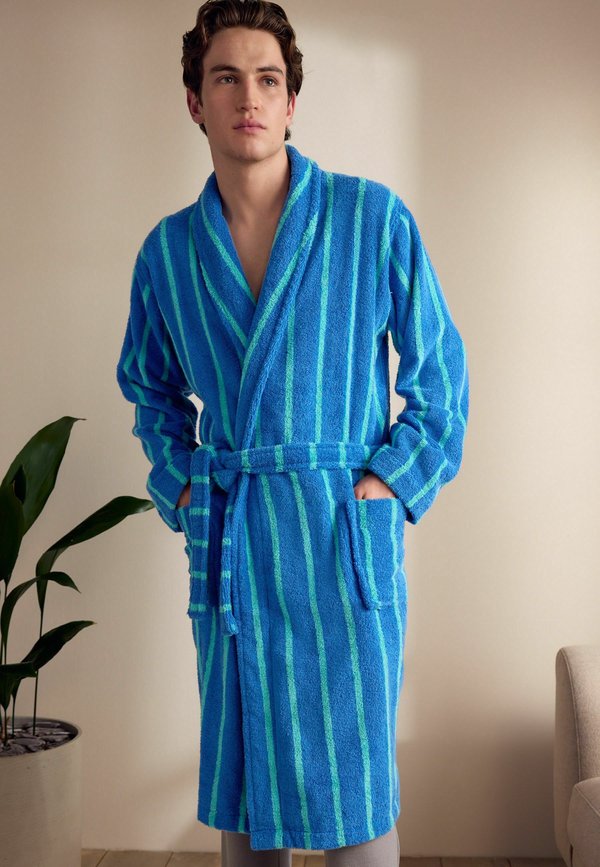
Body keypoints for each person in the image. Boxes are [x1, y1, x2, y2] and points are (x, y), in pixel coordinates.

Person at [115, 1, 469, 864]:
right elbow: (149, 389)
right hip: (234, 544)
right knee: (245, 793)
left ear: (291, 101)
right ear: (195, 101)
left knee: (356, 793)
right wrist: (184, 486)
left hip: (338, 538)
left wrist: (387, 483)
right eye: (226, 77)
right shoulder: (168, 253)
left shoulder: (369, 218)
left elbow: (441, 378)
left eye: (267, 79)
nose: (249, 96)